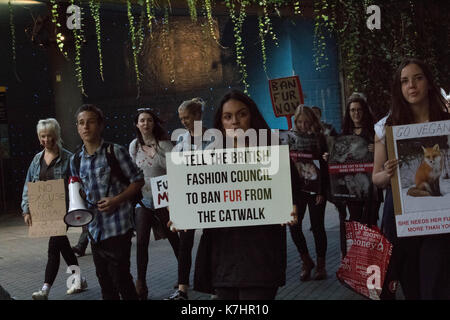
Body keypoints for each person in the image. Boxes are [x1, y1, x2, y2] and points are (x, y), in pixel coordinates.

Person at [192, 89, 299, 300]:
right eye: (228, 116)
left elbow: (292, 190)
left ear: (252, 116)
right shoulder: (209, 157)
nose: (235, 122)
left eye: (241, 114)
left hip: (261, 255)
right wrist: (181, 213)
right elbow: (197, 198)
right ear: (221, 123)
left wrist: (292, 207)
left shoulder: (273, 152)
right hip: (223, 257)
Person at [372, 58, 450, 300]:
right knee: (412, 287)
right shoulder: (386, 126)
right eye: (405, 81)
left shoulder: (446, 123)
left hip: (440, 220)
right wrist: (388, 172)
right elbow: (376, 178)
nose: (412, 85)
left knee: (435, 285)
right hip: (402, 221)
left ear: (428, 83)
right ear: (399, 88)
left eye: (418, 78)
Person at [70, 104, 144, 300]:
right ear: (77, 127)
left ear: (101, 125)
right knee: (105, 284)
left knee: (122, 280)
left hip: (118, 228)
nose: (85, 127)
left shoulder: (115, 151)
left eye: (91, 122)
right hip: (95, 232)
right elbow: (78, 193)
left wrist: (116, 200)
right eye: (81, 123)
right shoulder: (75, 159)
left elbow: (138, 180)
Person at [21, 118, 87, 300]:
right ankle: (79, 279)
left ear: (56, 135)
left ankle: (45, 289)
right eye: (43, 136)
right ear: (39, 137)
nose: (46, 140)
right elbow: (29, 184)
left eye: (50, 136)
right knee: (63, 246)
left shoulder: (68, 158)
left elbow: (77, 183)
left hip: (64, 211)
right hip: (45, 212)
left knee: (53, 246)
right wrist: (26, 210)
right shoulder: (37, 160)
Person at [129, 107, 180, 300]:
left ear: (154, 123)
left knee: (174, 239)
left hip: (164, 199)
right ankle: (141, 283)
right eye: (142, 120)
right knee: (141, 242)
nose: (145, 124)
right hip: (143, 200)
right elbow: (131, 173)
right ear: (137, 124)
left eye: (149, 120)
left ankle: (182, 277)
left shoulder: (165, 146)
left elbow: (175, 172)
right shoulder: (133, 146)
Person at [166, 98, 210, 300]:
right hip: (189, 197)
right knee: (185, 243)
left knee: (211, 241)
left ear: (198, 116)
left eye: (187, 117)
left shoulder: (214, 137)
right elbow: (176, 170)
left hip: (211, 196)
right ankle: (182, 288)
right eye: (181, 118)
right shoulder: (182, 140)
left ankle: (214, 288)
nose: (183, 121)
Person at [336, 93, 383, 256]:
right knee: (354, 223)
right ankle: (354, 260)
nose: (356, 113)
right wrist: (329, 158)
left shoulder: (374, 132)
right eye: (352, 110)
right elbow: (338, 160)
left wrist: (378, 150)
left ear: (365, 111)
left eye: (359, 110)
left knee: (370, 223)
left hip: (371, 189)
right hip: (352, 190)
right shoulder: (342, 135)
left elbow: (384, 158)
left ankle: (372, 259)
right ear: (348, 113)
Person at [287, 105, 329, 281]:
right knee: (293, 224)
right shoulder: (289, 139)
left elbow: (325, 167)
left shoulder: (319, 138)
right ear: (295, 122)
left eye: (306, 122)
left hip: (315, 189)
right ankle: (306, 260)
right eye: (299, 122)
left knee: (317, 226)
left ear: (312, 122)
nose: (303, 125)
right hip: (296, 189)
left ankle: (321, 265)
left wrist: (321, 191)